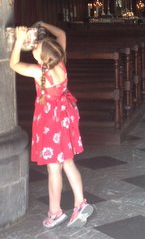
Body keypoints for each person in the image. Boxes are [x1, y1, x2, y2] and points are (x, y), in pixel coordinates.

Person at [9, 22, 94, 229]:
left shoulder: (40, 71)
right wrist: (43, 25)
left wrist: (19, 41)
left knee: (54, 169)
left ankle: (55, 213)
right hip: (65, 118)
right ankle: (80, 203)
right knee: (68, 162)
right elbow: (62, 34)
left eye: (37, 50)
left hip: (50, 124)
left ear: (43, 57)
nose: (35, 52)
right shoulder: (60, 60)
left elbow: (14, 64)